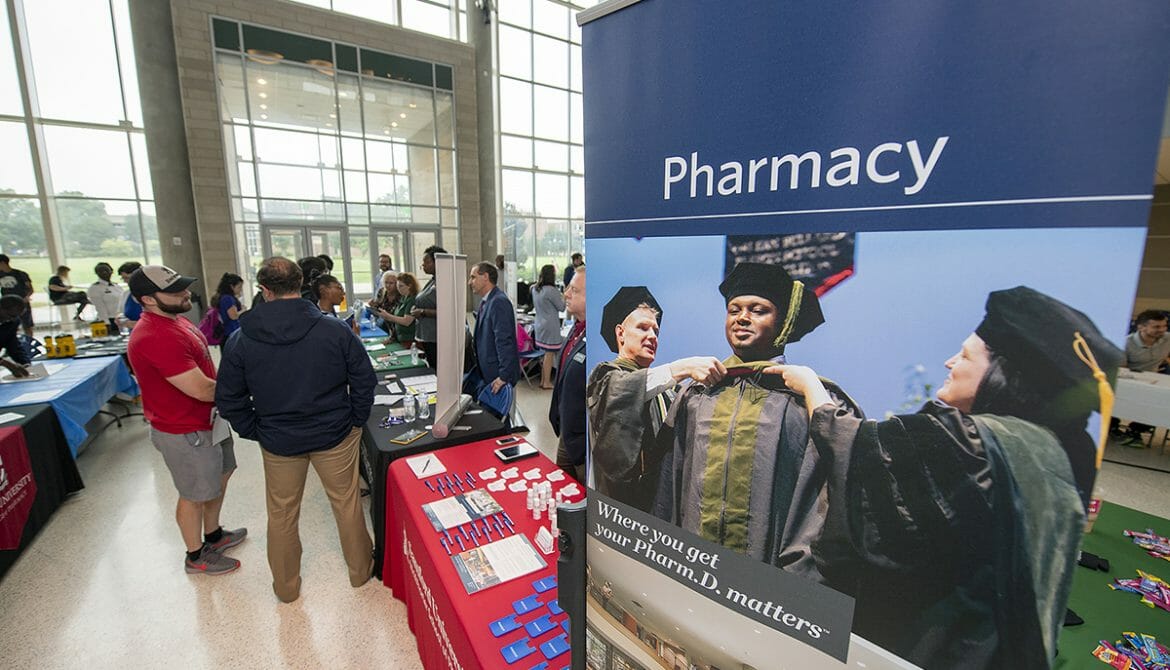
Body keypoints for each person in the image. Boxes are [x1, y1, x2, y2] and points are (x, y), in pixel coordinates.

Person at [776, 286, 1121, 669]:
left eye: (966, 355)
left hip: (951, 645)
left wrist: (811, 387)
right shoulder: (1056, 448)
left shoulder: (974, 442)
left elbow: (860, 455)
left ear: (1003, 373)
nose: (949, 361)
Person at [655, 262, 858, 578]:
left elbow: (826, 499)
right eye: (734, 310)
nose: (741, 318)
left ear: (783, 323)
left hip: (771, 581)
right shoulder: (696, 395)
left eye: (758, 310)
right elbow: (668, 484)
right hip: (693, 568)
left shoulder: (809, 398)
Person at [215, 257, 376, 603]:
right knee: (346, 504)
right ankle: (360, 572)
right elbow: (364, 379)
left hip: (279, 439)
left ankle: (286, 588)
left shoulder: (241, 339)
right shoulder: (334, 330)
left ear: (264, 290)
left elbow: (228, 398)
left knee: (282, 514)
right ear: (301, 283)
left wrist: (254, 429)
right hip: (334, 433)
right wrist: (355, 419)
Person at [126, 265, 246, 576]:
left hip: (209, 420)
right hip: (184, 429)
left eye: (182, 286)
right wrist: (248, 387)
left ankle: (214, 535)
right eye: (174, 290)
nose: (185, 293)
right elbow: (201, 389)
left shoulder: (176, 320)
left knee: (220, 475)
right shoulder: (155, 335)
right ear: (147, 299)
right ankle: (195, 555)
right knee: (194, 493)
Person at [586, 286, 724, 513]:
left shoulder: (669, 390)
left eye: (656, 331)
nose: (652, 336)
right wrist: (683, 367)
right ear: (621, 333)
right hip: (621, 505)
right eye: (643, 328)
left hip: (662, 502)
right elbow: (622, 391)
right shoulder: (605, 376)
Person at [466, 262, 520, 413]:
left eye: (473, 277)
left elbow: (505, 341)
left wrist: (503, 376)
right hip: (487, 373)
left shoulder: (498, 302)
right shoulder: (487, 301)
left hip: (497, 374)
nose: (470, 282)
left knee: (495, 419)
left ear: (485, 277)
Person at [1113, 309, 1170, 446]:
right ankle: (1113, 427)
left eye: (1164, 326)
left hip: (1154, 380)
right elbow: (1122, 368)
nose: (1162, 330)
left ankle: (1135, 430)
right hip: (1128, 380)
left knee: (1162, 403)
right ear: (1141, 327)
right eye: (1156, 327)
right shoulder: (1126, 343)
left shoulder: (1167, 338)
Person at [550, 268, 587, 481]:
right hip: (567, 434)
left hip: (582, 444)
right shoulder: (576, 330)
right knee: (562, 489)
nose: (566, 294)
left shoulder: (599, 340)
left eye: (574, 290)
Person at [411, 246, 445, 368]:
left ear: (437, 262)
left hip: (437, 336)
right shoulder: (433, 280)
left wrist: (423, 312)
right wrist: (416, 308)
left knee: (437, 367)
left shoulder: (444, 281)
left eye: (427, 262)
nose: (423, 265)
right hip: (427, 334)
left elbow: (447, 311)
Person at [532, 264, 565, 389]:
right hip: (550, 326)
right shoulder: (551, 290)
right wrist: (564, 296)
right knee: (549, 354)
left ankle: (542, 380)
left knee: (545, 354)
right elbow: (562, 307)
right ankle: (546, 382)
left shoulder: (535, 289)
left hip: (539, 324)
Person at [380, 272, 419, 348]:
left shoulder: (412, 300)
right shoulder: (403, 298)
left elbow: (406, 321)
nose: (398, 289)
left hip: (410, 339)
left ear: (409, 286)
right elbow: (396, 317)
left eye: (401, 286)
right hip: (400, 338)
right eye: (398, 286)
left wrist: (388, 316)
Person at [0, 254, 34, 338]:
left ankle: (29, 340)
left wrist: (26, 297)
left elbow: (30, 288)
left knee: (27, 325)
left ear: (3, 263)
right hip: (7, 305)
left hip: (21, 303)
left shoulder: (20, 274)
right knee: (10, 325)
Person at [86, 262, 125, 332]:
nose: (104, 273)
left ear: (111, 271)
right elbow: (100, 307)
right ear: (96, 273)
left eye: (106, 270)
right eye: (100, 271)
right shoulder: (95, 288)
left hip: (121, 318)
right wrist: (106, 323)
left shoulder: (117, 286)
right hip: (109, 320)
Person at [0, 296, 32, 378]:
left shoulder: (13, 322)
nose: (12, 319)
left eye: (17, 316)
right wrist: (5, 363)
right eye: (11, 315)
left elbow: (13, 344)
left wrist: (24, 363)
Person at [212, 273, 245, 341]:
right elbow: (234, 316)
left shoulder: (223, 297)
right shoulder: (228, 298)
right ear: (232, 286)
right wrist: (243, 310)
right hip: (231, 332)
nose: (241, 290)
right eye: (239, 287)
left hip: (228, 332)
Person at [117, 262, 144, 330]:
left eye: (127, 278)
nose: (125, 281)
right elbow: (120, 314)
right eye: (123, 278)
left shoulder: (154, 294)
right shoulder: (126, 294)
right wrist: (122, 320)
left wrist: (136, 324)